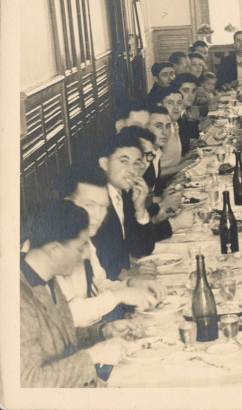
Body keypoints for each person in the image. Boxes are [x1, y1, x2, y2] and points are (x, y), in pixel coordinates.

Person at [20, 199, 137, 387]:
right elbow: (29, 382)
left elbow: (61, 339)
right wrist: (92, 356)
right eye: (81, 247)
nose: (84, 255)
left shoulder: (47, 277)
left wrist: (103, 331)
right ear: (55, 251)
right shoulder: (17, 298)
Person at [55, 163, 166, 327]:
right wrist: (118, 297)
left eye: (103, 207)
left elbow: (99, 284)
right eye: (90, 205)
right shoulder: (50, 246)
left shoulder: (84, 237)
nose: (98, 216)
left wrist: (132, 284)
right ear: (66, 203)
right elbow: (65, 317)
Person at [92, 129, 157, 280]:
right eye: (124, 162)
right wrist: (125, 275)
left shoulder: (124, 194)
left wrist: (140, 209)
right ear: (104, 163)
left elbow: (142, 249)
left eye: (136, 164)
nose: (132, 171)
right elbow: (96, 260)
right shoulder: (95, 200)